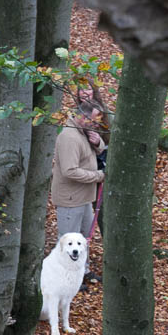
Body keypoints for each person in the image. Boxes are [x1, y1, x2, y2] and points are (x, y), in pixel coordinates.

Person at [51, 91, 106, 287]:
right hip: (70, 199)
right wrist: (99, 176)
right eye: (93, 120)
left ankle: (84, 271)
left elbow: (97, 151)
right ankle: (65, 278)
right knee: (69, 241)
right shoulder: (69, 137)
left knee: (83, 239)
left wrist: (97, 142)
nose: (96, 124)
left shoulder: (83, 132)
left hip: (84, 198)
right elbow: (69, 171)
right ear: (82, 117)